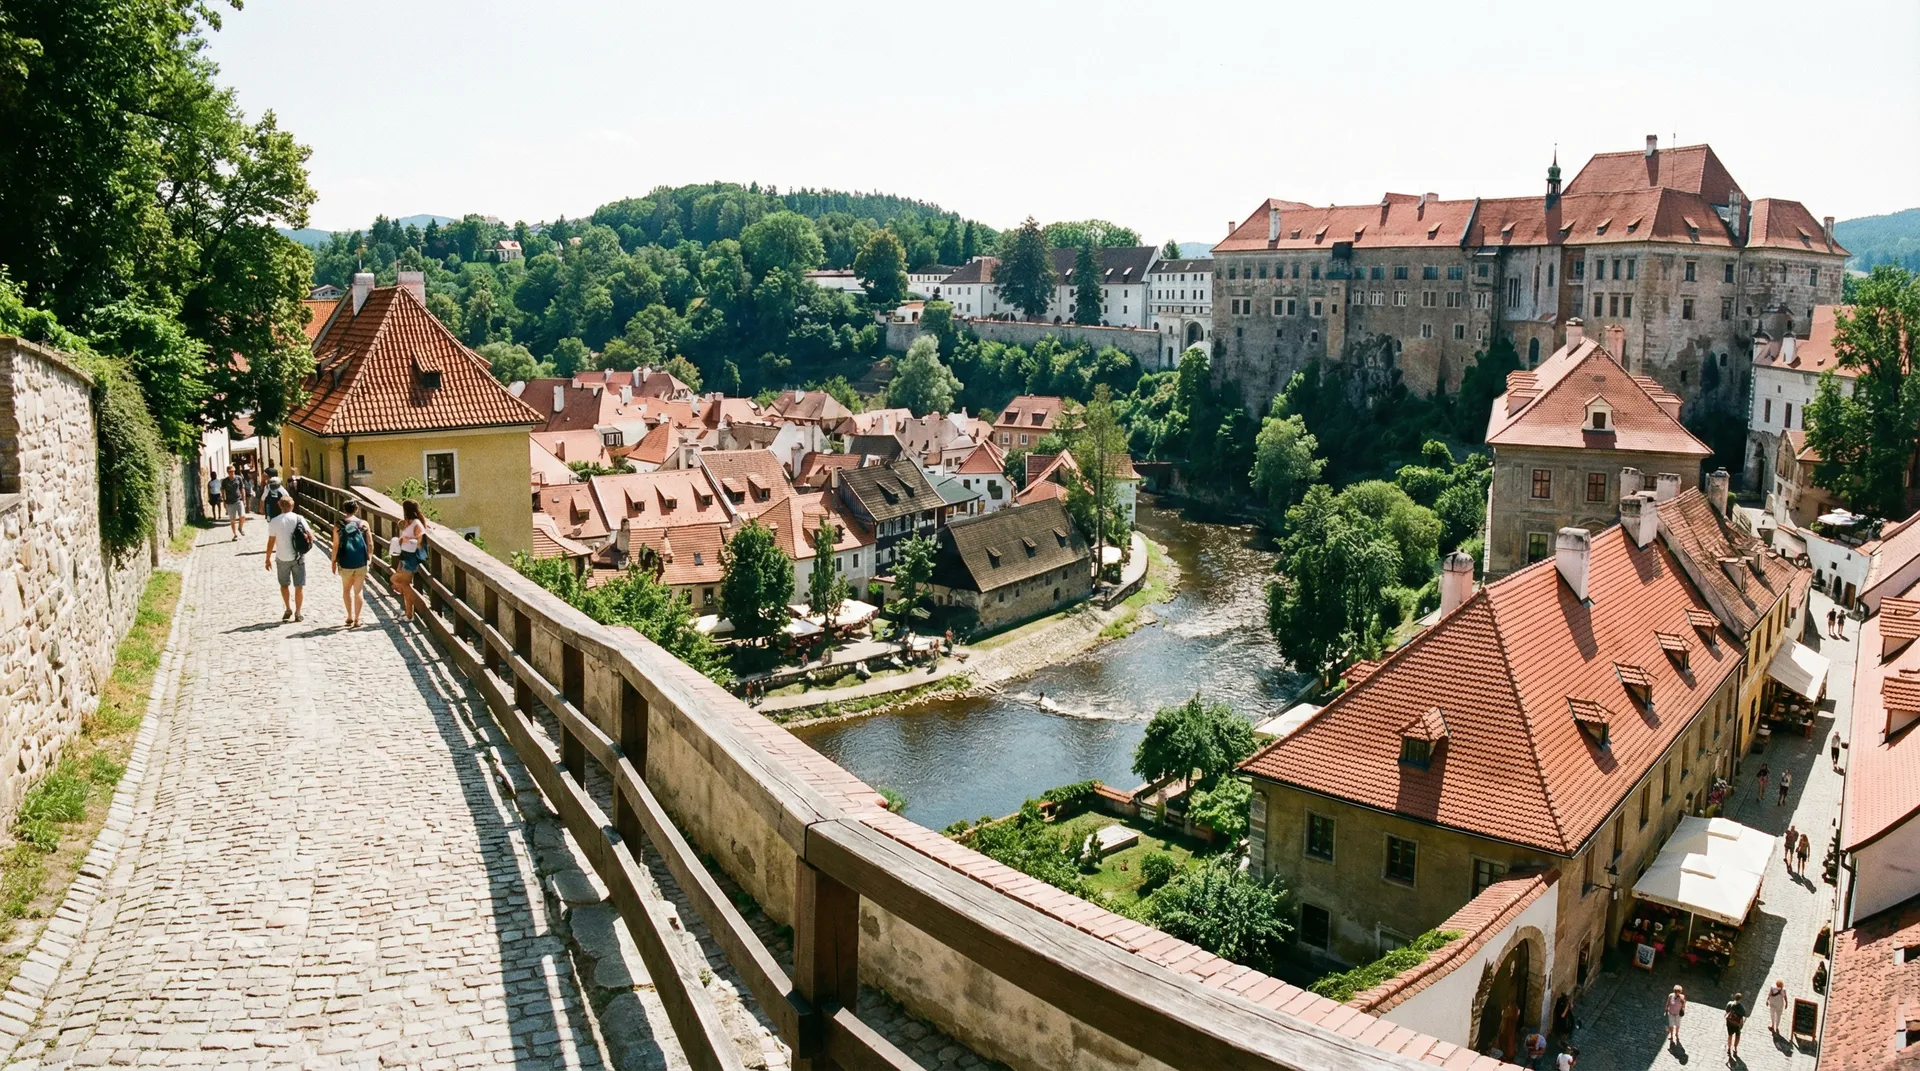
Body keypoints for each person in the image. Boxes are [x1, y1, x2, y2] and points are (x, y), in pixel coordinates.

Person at [264, 495, 311, 622]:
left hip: (281, 557)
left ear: (279, 506)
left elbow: (271, 542)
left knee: (284, 585)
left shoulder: (274, 521)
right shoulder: (299, 518)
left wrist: (267, 558)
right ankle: (298, 612)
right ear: (292, 505)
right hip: (298, 557)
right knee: (299, 586)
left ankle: (288, 609)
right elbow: (310, 535)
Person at [332, 499, 371, 628]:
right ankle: (357, 619)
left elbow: (336, 545)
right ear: (356, 510)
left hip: (345, 562)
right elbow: (370, 544)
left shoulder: (339, 524)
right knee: (358, 591)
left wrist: (333, 561)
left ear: (345, 510)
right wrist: (368, 559)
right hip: (360, 562)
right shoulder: (363, 524)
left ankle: (349, 616)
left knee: (346, 590)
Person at [393, 498, 428, 622]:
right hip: (404, 555)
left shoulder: (416, 523)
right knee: (400, 582)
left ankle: (417, 606)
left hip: (411, 557)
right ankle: (408, 614)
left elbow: (420, 539)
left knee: (402, 583)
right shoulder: (408, 522)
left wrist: (411, 542)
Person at [221, 465, 245, 539]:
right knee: (232, 520)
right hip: (230, 502)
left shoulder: (239, 478)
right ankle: (235, 535)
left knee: (242, 516)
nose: (232, 473)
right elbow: (222, 490)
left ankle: (240, 528)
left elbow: (242, 488)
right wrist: (224, 501)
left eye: (233, 471)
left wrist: (244, 499)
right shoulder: (225, 481)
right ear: (228, 472)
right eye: (230, 471)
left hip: (238, 500)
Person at [1725, 993, 1747, 1057]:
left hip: (1729, 1023)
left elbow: (1726, 1013)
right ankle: (1735, 1048)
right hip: (1737, 1025)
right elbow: (1742, 1018)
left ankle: (1729, 1048)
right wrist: (1741, 1025)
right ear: (1740, 999)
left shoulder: (1729, 1004)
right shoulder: (1742, 1007)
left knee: (1730, 1035)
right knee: (1737, 1036)